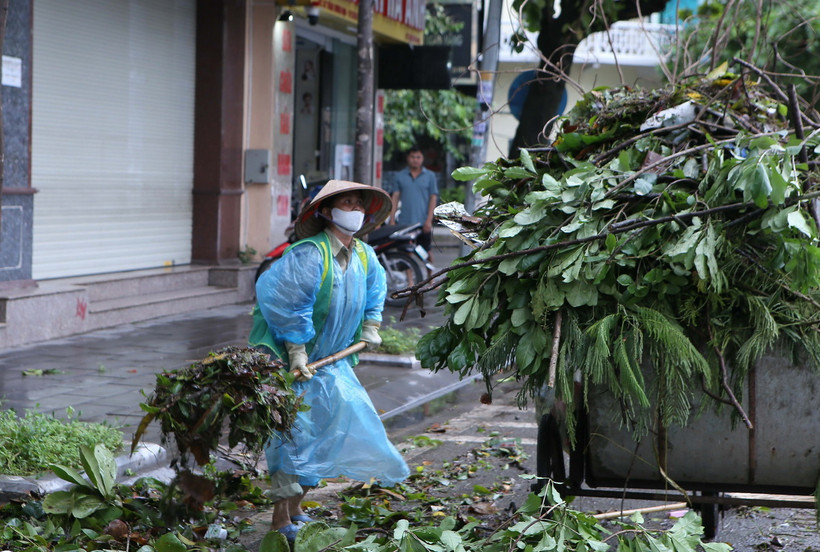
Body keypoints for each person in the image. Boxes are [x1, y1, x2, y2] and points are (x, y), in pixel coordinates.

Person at [249, 180, 409, 544]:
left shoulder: (365, 255)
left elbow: (375, 294)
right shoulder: (310, 254)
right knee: (291, 441)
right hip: (294, 364)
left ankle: (297, 508)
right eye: (346, 203)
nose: (353, 210)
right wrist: (297, 353)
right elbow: (290, 308)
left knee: (325, 433)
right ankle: (279, 520)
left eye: (357, 204)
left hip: (333, 364)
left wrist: (370, 327)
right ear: (325, 212)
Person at [389, 147, 438, 268]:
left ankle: (430, 279)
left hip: (422, 221)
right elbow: (395, 198)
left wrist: (429, 220)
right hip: (405, 222)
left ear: (422, 159)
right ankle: (411, 282)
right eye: (412, 157)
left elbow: (433, 198)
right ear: (408, 158)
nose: (415, 160)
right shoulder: (400, 176)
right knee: (406, 253)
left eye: (418, 157)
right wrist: (391, 219)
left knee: (426, 251)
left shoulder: (430, 176)